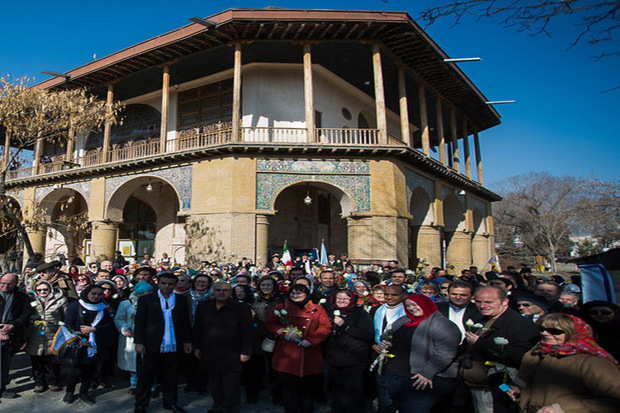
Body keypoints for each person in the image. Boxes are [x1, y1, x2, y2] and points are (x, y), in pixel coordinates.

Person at [512, 313, 620, 413]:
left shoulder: (591, 362)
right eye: (542, 329)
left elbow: (614, 399)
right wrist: (518, 390)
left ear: (572, 333)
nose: (545, 333)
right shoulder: (535, 354)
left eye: (554, 331)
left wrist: (563, 409)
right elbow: (525, 382)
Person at [378, 294, 461, 412]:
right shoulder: (403, 320)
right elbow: (387, 336)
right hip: (396, 374)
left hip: (421, 377)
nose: (412, 308)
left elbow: (445, 353)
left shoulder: (443, 324)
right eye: (408, 306)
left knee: (414, 409)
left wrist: (428, 372)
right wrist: (387, 343)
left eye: (415, 305)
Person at [462, 286, 539, 413]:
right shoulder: (481, 318)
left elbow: (521, 356)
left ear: (505, 302)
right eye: (479, 302)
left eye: (489, 302)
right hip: (477, 384)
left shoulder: (519, 324)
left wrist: (481, 343)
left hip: (500, 386)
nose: (482, 306)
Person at [265, 284, 332, 413]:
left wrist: (312, 340)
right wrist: (283, 332)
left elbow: (325, 327)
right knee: (289, 391)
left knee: (307, 391)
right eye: (293, 293)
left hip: (309, 353)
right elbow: (270, 324)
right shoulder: (281, 308)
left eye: (299, 294)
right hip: (287, 354)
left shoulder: (317, 309)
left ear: (306, 295)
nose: (295, 296)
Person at [134, 272, 192, 413]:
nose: (167, 286)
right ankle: (141, 403)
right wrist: (139, 342)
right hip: (152, 343)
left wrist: (187, 340)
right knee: (146, 375)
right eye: (164, 283)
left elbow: (185, 322)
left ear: (175, 285)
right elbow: (140, 322)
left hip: (174, 343)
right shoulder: (146, 300)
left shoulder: (181, 300)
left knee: (171, 375)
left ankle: (171, 402)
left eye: (171, 284)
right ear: (158, 284)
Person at [193, 282, 253, 413]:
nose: (222, 292)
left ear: (230, 292)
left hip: (232, 352)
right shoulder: (204, 306)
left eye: (225, 290)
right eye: (218, 290)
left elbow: (247, 331)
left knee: (231, 383)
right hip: (210, 350)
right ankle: (218, 405)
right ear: (213, 291)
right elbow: (198, 328)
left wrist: (246, 351)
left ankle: (231, 408)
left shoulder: (241, 308)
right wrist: (197, 347)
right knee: (215, 382)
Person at [63, 284, 115, 405]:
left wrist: (95, 330)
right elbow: (68, 325)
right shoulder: (76, 306)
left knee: (90, 370)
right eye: (93, 294)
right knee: (75, 370)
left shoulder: (103, 308)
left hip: (95, 344)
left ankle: (84, 392)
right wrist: (78, 339)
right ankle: (69, 392)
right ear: (87, 293)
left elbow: (109, 325)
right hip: (79, 343)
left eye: (99, 294)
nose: (96, 297)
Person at [325, 289, 374, 413]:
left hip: (354, 358)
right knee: (337, 388)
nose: (342, 301)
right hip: (334, 357)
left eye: (345, 299)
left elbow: (367, 334)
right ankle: (337, 409)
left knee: (353, 390)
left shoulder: (361, 314)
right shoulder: (330, 312)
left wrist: (345, 325)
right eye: (339, 299)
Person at [25, 280, 68, 393]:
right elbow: (26, 314)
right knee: (37, 360)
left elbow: (65, 316)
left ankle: (52, 381)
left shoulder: (60, 300)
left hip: (53, 333)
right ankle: (39, 382)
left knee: (52, 360)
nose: (42, 292)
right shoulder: (30, 300)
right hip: (35, 334)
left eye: (45, 289)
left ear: (50, 289)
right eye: (39, 290)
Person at [115, 281, 153, 394]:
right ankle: (134, 384)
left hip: (149, 335)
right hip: (131, 336)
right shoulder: (126, 304)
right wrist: (124, 328)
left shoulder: (154, 302)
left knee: (149, 361)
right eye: (148, 292)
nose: (151, 294)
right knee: (133, 362)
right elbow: (119, 318)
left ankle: (152, 385)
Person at [0, 272, 32, 399]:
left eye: (9, 284)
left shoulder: (21, 297)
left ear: (15, 284)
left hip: (11, 333)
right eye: (2, 283)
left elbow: (26, 313)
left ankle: (2, 388)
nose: (5, 287)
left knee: (4, 363)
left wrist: (13, 326)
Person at [182, 273, 213, 395]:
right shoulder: (185, 296)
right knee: (189, 359)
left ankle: (202, 384)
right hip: (188, 329)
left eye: (204, 282)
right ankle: (190, 382)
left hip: (205, 332)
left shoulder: (212, 297)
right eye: (198, 281)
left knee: (202, 359)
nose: (201, 284)